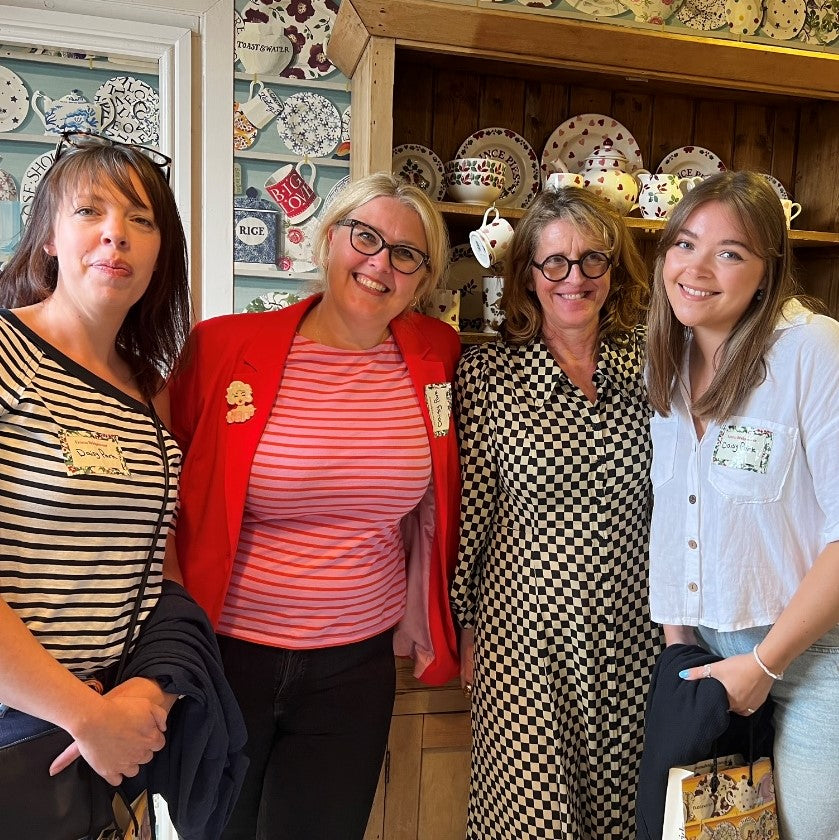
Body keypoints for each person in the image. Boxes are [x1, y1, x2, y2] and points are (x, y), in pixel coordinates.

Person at [169, 172, 462, 840]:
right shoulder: (222, 347)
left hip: (354, 668)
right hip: (226, 656)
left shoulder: (435, 356)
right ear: (328, 241)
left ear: (422, 279)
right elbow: (166, 486)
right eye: (365, 237)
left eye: (405, 254)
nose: (380, 262)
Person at [451, 186, 662, 839]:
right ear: (527, 276)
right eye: (554, 263)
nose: (574, 277)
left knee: (626, 815)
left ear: (613, 269)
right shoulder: (487, 377)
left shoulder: (657, 370)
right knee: (530, 819)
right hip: (525, 643)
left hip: (638, 640)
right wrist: (466, 631)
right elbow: (473, 515)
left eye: (591, 260)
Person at [645, 170, 839, 839]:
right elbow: (674, 516)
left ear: (766, 271)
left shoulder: (812, 348)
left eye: (729, 252)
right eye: (684, 244)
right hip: (709, 664)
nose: (695, 268)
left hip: (814, 665)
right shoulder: (670, 363)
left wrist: (765, 664)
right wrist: (680, 651)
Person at [0, 133, 189, 791]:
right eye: (91, 212)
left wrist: (150, 691)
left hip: (110, 734)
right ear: (49, 236)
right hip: (23, 726)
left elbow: (159, 564)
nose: (118, 235)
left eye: (142, 220)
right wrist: (83, 714)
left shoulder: (148, 389)